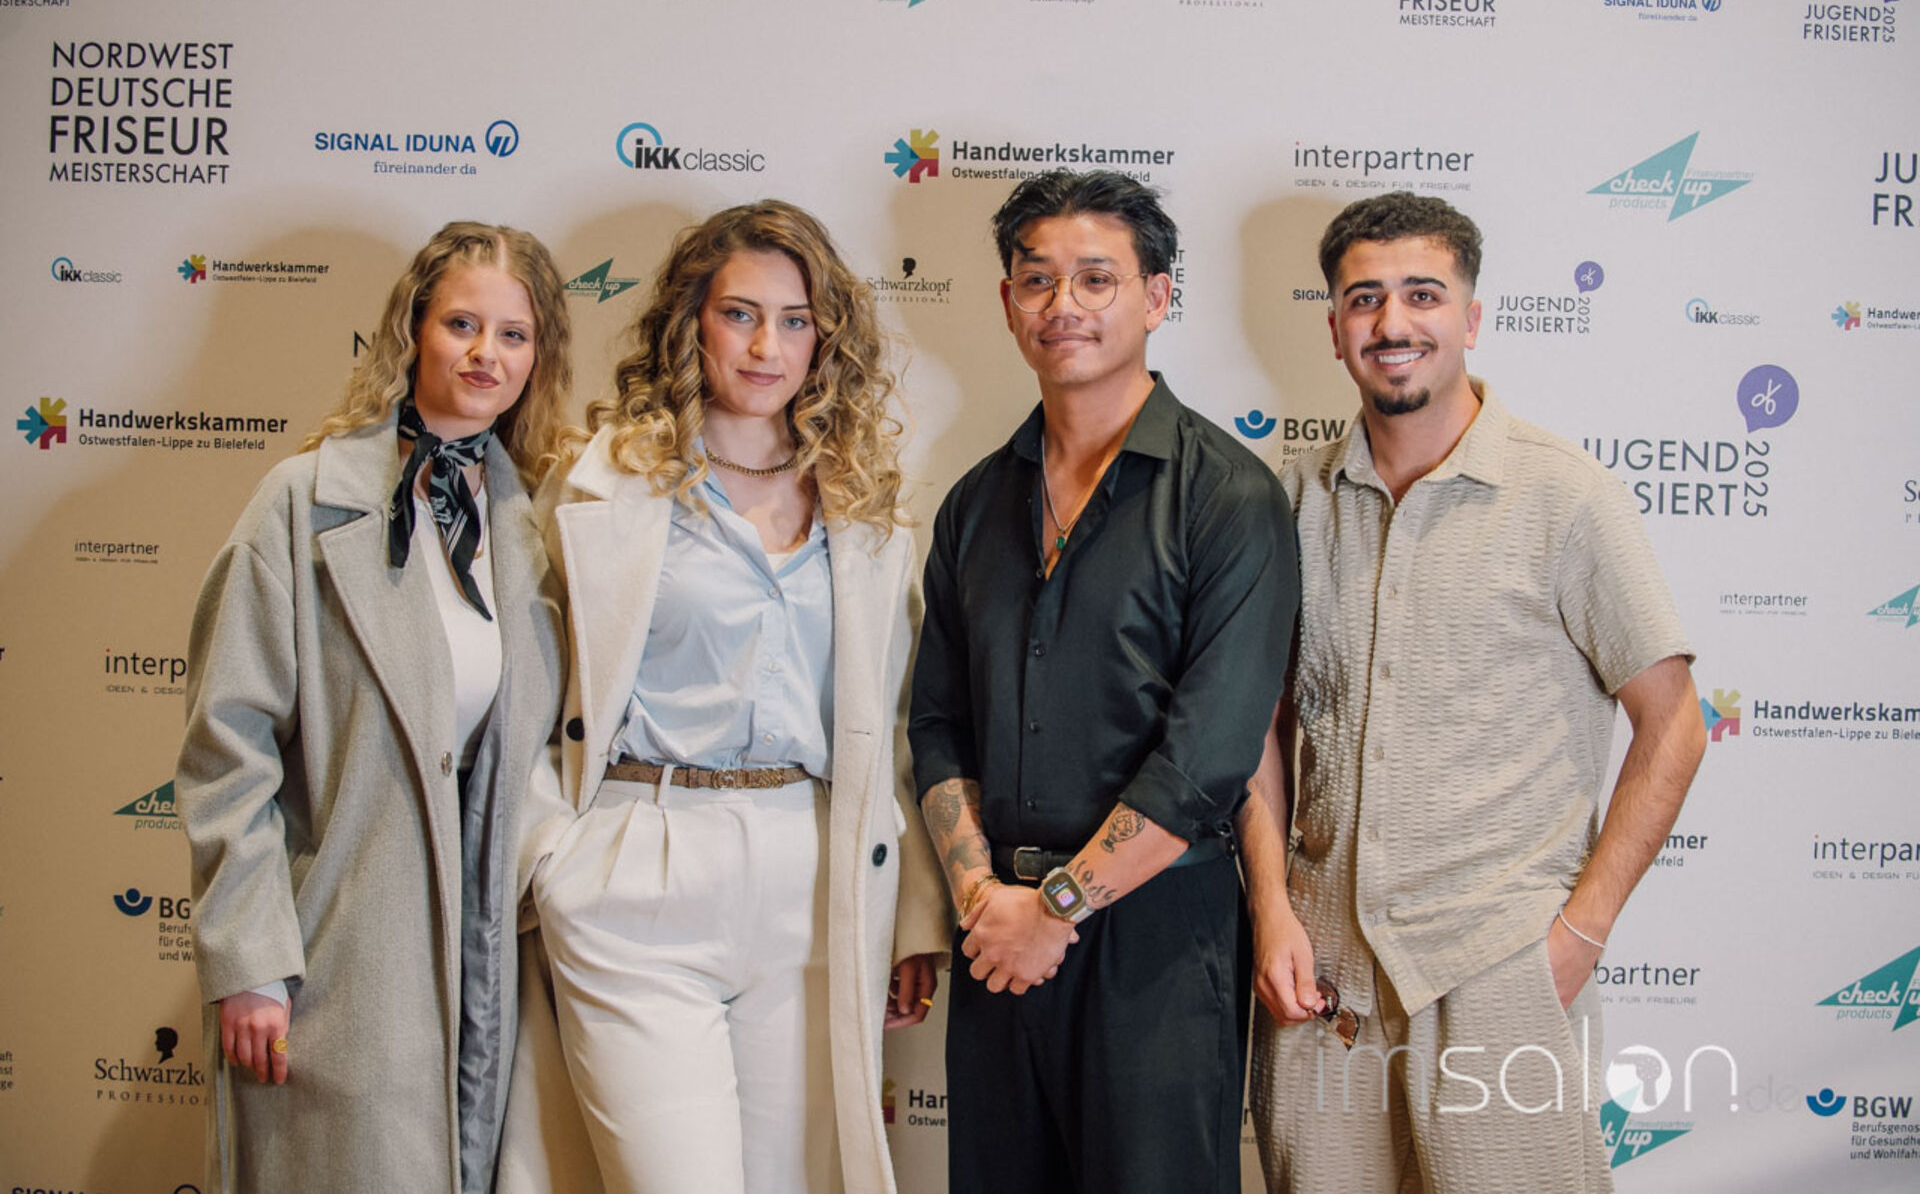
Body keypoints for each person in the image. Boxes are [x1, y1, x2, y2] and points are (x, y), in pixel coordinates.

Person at [1241, 192, 1707, 1192]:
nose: (1393, 322)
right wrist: (1271, 908)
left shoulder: (1567, 496)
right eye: (1364, 298)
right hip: (1322, 982)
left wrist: (1578, 935)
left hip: (1499, 967)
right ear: (1334, 326)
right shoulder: (1290, 500)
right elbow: (1258, 730)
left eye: (1423, 294)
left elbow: (1673, 722)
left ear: (1472, 316)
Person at [498, 200, 948, 1194]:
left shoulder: (865, 500)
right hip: (639, 859)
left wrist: (913, 913)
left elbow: (893, 722)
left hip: (813, 872)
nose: (764, 346)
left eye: (794, 321)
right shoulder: (605, 481)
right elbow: (525, 681)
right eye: (739, 313)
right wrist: (552, 858)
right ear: (691, 320)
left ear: (825, 338)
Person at [909, 170, 1298, 1194]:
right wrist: (983, 896)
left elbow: (1210, 754)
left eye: (1096, 278)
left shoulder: (1228, 495)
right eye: (1037, 280)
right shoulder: (973, 503)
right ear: (1007, 302)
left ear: (1157, 297)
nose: (1063, 305)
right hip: (997, 933)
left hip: (1157, 940)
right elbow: (938, 723)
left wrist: (1058, 905)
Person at [176, 221, 573, 1193]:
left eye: (514, 334)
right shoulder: (300, 502)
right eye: (462, 324)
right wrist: (250, 959)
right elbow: (229, 745)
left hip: (495, 964)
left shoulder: (537, 524)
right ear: (412, 330)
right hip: (340, 953)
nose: (486, 355)